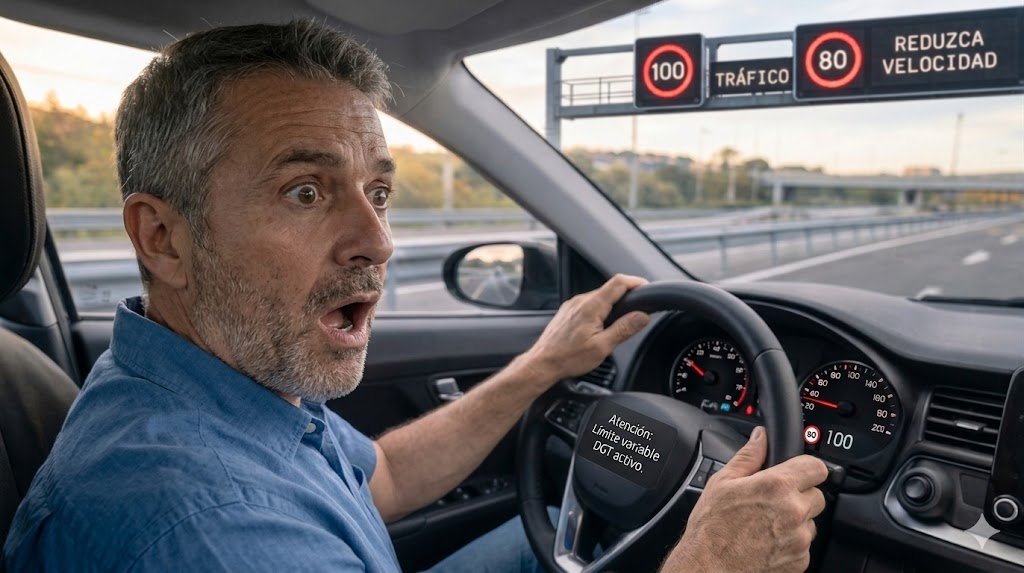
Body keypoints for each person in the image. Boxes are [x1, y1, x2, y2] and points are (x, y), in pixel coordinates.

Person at [2, 20, 827, 572]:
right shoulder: (211, 528)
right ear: (163, 238)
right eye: (305, 191)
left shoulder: (216, 385)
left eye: (380, 192)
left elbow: (381, 476)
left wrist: (540, 367)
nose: (379, 241)